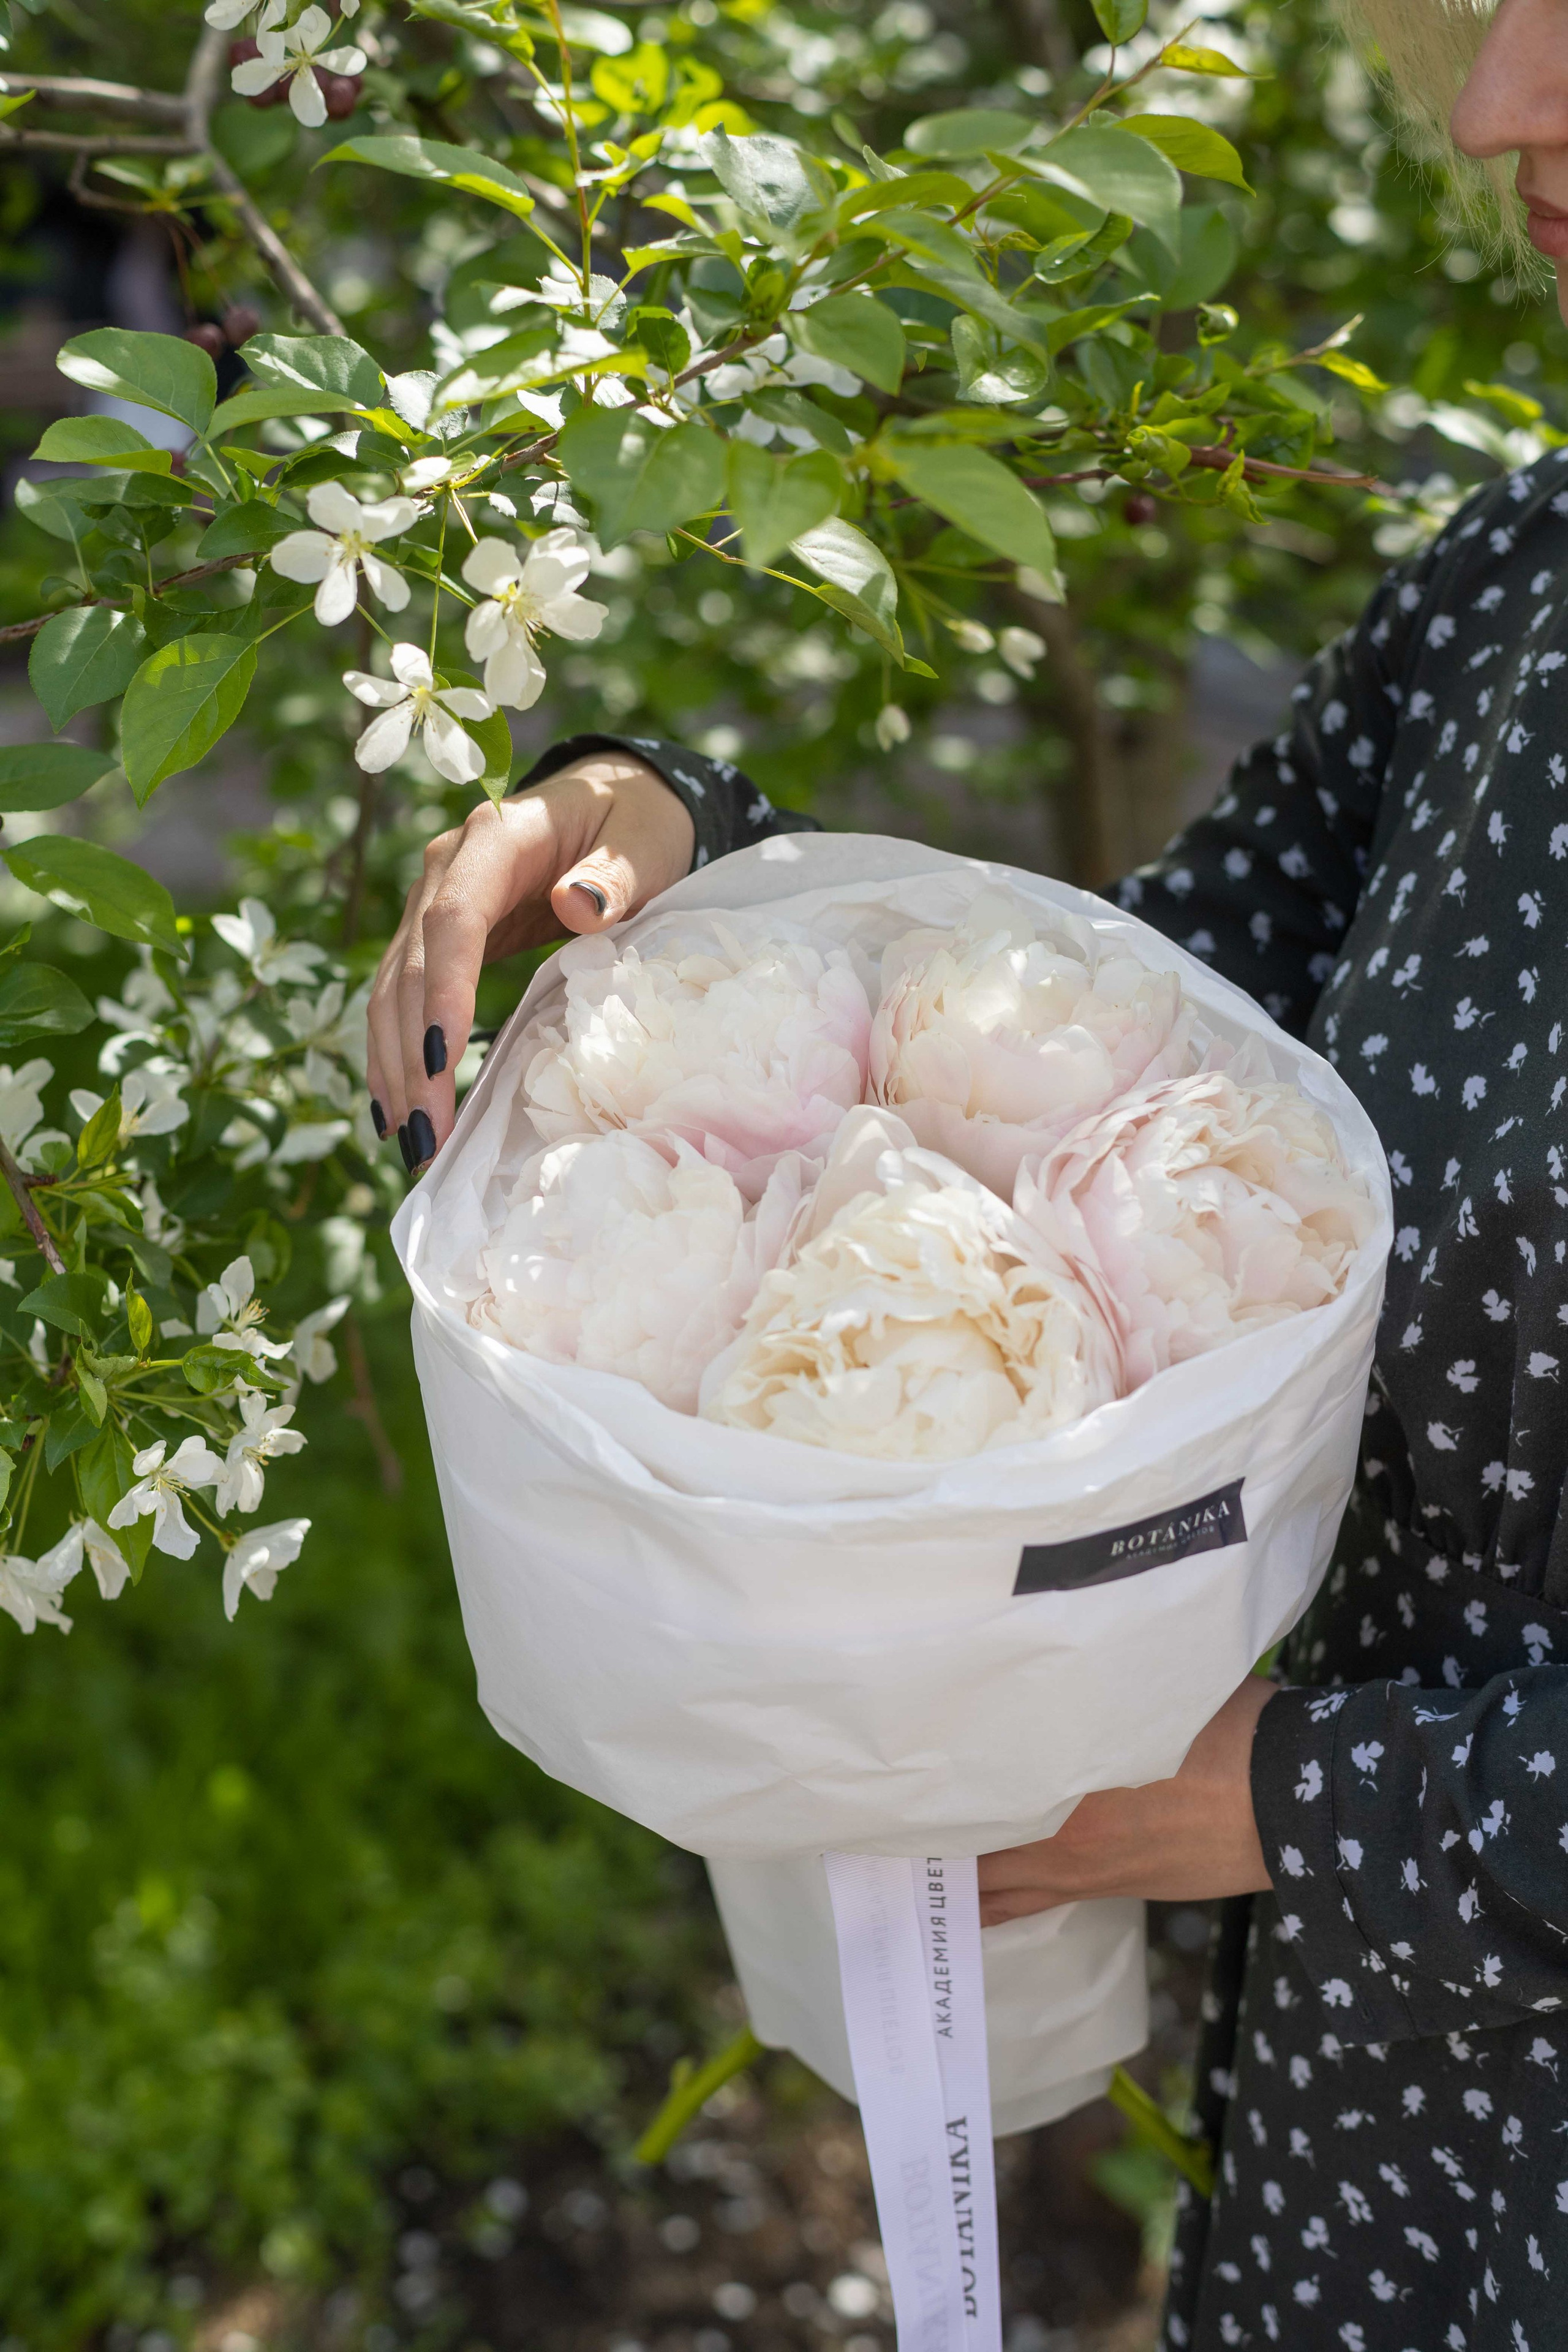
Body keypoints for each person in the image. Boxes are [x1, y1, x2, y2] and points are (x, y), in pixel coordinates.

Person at [368, 0, 1568, 2339]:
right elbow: (1119, 1053)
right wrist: (679, 870)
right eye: (1503, 6)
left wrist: (1308, 1803)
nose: (1510, 97)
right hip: (1367, 2129)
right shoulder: (1525, 581)